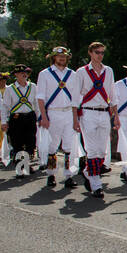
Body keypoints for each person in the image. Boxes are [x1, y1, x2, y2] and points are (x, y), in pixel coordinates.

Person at [71, 41, 119, 198]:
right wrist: (75, 119)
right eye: (97, 52)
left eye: (102, 52)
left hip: (104, 112)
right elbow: (76, 96)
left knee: (102, 150)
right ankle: (97, 186)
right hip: (88, 112)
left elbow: (112, 94)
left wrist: (116, 117)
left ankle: (88, 172)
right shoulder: (81, 72)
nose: (100, 55)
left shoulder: (108, 71)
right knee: (92, 150)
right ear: (90, 53)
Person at [36, 47, 81, 189]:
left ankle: (68, 175)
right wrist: (44, 117)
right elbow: (40, 97)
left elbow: (75, 99)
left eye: (64, 56)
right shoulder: (45, 74)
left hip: (68, 112)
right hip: (52, 113)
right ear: (54, 58)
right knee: (52, 145)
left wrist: (75, 119)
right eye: (59, 56)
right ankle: (51, 174)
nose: (62, 58)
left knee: (69, 145)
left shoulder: (73, 74)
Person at [0, 65, 40, 178]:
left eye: (26, 72)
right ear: (16, 75)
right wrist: (4, 121)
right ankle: (19, 168)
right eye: (21, 73)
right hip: (16, 118)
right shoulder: (10, 89)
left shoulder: (33, 87)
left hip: (30, 117)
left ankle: (26, 164)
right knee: (17, 143)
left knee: (30, 142)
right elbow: (5, 106)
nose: (24, 74)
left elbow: (36, 104)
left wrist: (40, 118)